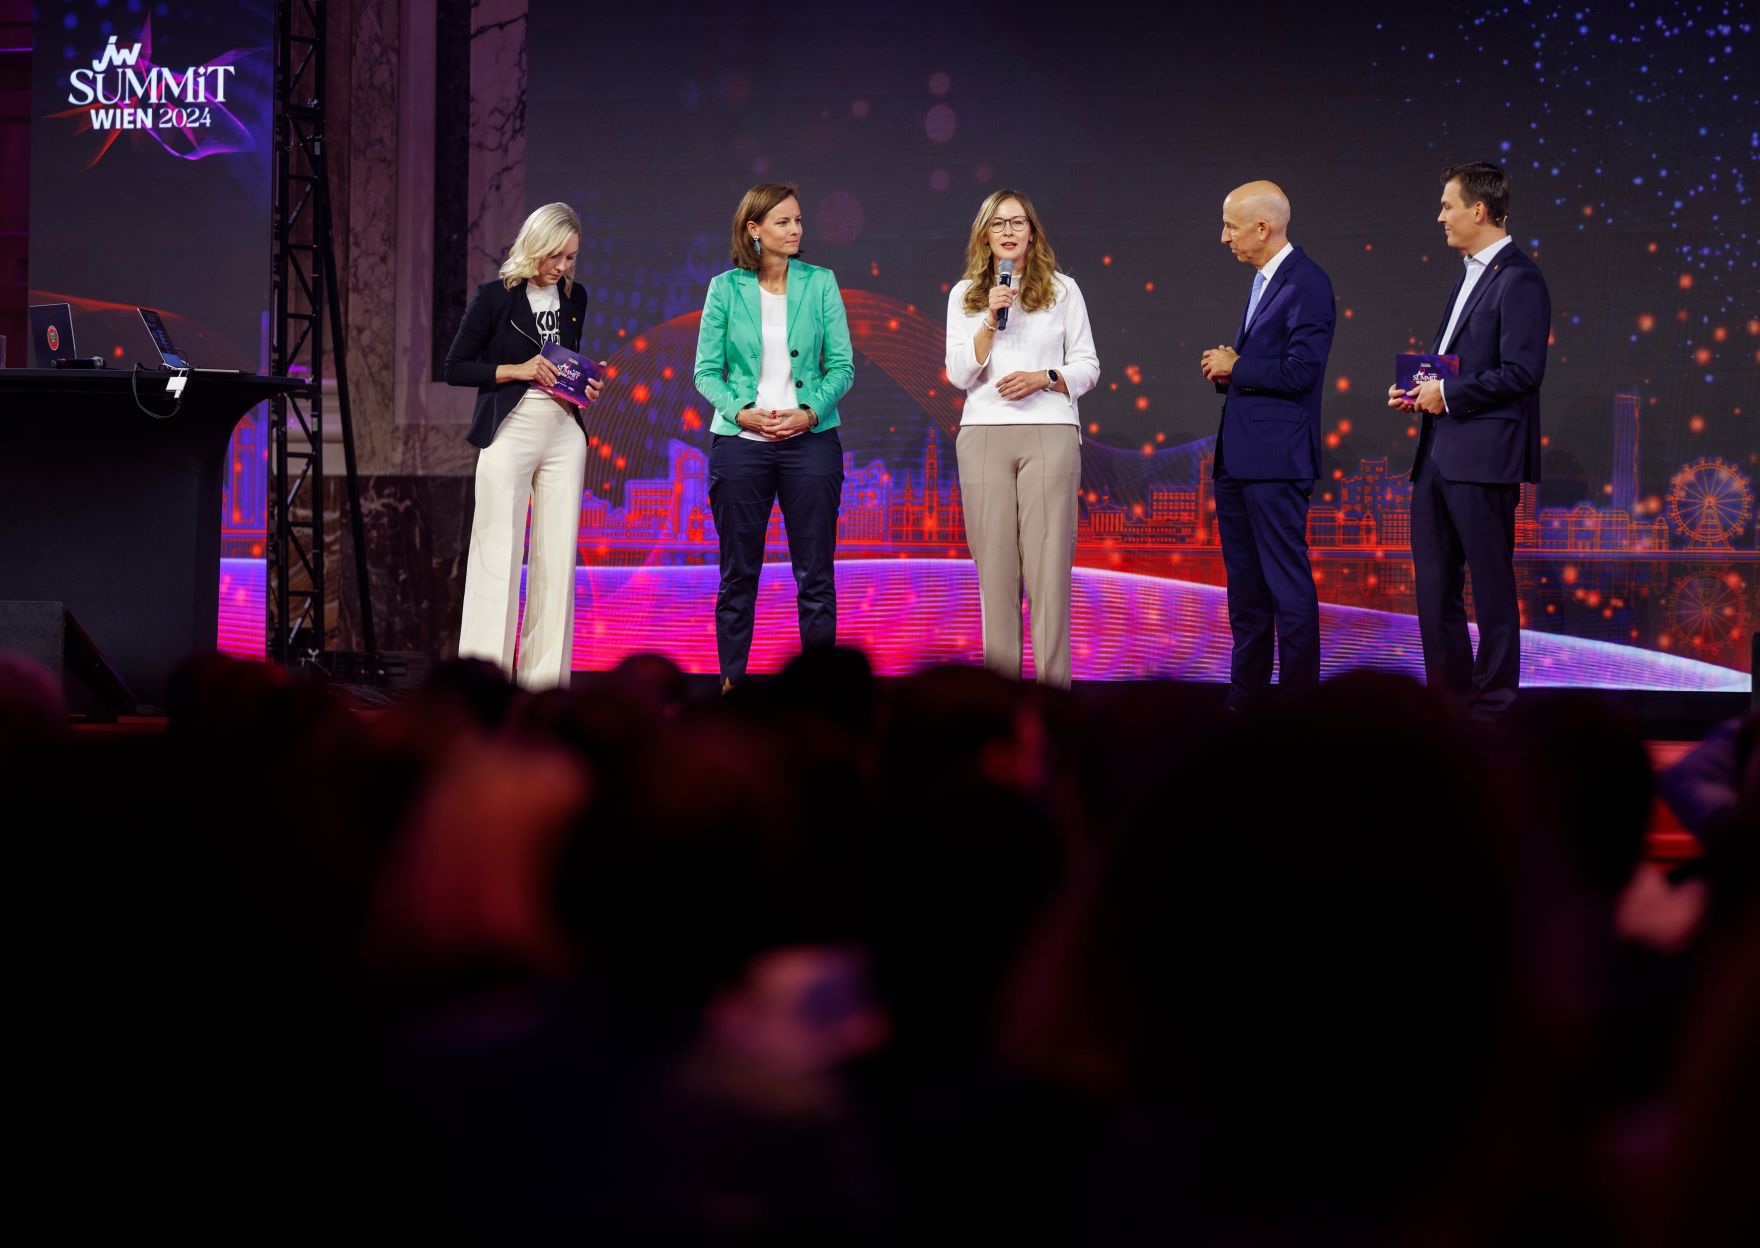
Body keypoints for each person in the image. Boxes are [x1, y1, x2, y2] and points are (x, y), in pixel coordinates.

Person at [1387, 161, 1548, 721]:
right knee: (1434, 588)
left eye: (1448, 206)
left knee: (1492, 588)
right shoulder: (1468, 275)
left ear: (1478, 210)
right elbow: (1459, 365)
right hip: (1436, 455)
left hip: (1483, 458)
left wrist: (1448, 395)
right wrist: (1420, 392)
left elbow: (1523, 372)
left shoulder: (1519, 277)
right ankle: (1448, 704)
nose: (1440, 217)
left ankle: (1495, 707)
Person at [693, 182, 854, 690]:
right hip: (742, 445)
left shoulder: (821, 283)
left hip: (811, 442)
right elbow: (705, 372)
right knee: (738, 574)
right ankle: (731, 684)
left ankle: (820, 693)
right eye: (784, 221)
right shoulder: (724, 288)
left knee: (815, 575)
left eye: (799, 221)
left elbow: (843, 368)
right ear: (754, 229)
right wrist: (742, 413)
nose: (796, 230)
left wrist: (809, 412)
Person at [443, 202, 602, 689]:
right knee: (496, 554)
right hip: (510, 430)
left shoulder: (576, 299)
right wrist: (518, 369)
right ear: (533, 246)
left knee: (556, 563)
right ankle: (483, 688)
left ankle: (544, 689)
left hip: (563, 433)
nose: (563, 268)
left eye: (571, 258)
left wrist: (584, 388)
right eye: (556, 256)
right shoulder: (494, 298)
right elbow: (455, 367)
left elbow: (562, 367)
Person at [945, 190, 1099, 690]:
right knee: (996, 573)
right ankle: (1001, 700)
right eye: (998, 223)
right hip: (984, 434)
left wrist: (1045, 377)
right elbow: (960, 374)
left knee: (1048, 571)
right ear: (985, 236)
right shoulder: (966, 293)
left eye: (1017, 222)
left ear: (1032, 231)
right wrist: (990, 318)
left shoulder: (1063, 290)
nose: (1008, 230)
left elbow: (1087, 366)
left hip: (1049, 432)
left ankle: (1055, 697)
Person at [1200, 181, 1335, 708]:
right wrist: (1232, 369)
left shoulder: (1308, 283)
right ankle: (1246, 695)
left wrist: (1240, 366)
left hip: (1277, 462)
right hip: (1239, 460)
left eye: (1231, 226)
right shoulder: (1263, 282)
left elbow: (1303, 371)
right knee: (1246, 590)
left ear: (1264, 227)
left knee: (1286, 587)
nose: (1223, 237)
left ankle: (1300, 704)